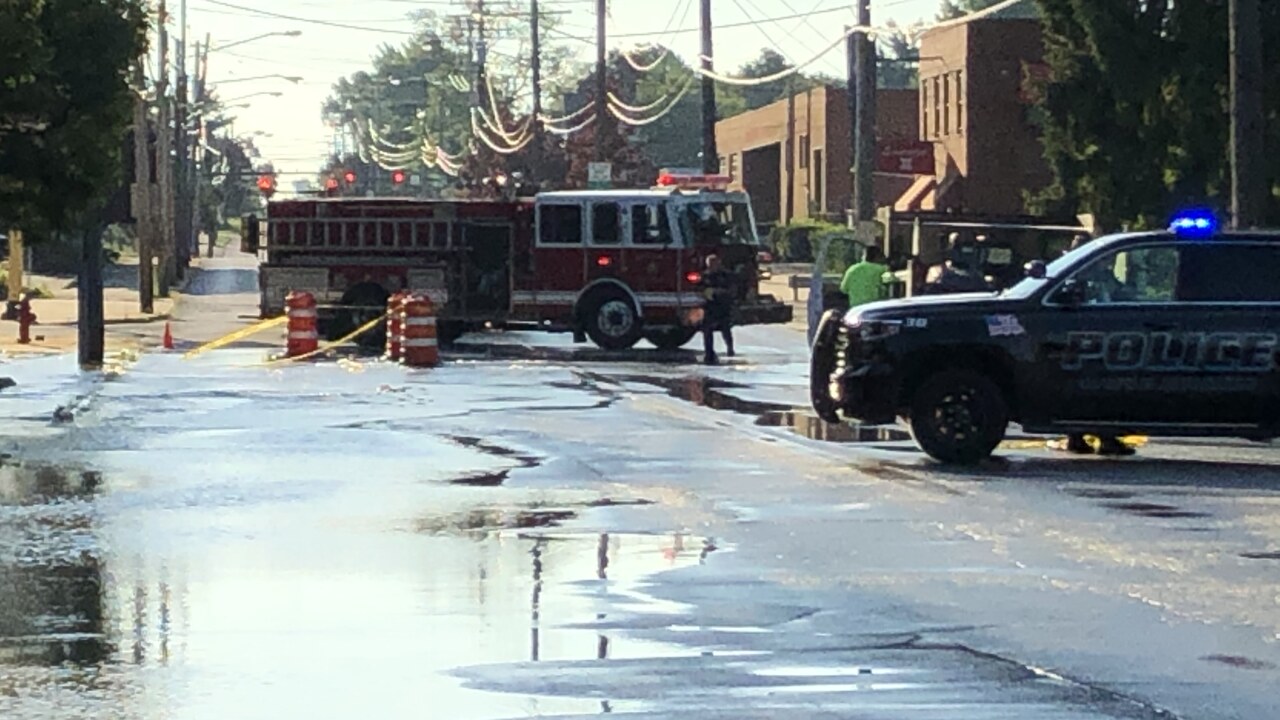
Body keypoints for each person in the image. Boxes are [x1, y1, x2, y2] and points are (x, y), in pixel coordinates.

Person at [699, 254, 736, 365]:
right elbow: (699, 288)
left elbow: (732, 288)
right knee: (707, 330)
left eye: (714, 263)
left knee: (726, 329)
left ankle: (730, 348)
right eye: (710, 263)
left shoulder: (725, 275)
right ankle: (709, 352)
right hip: (709, 307)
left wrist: (722, 293)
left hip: (722, 306)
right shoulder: (704, 276)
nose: (712, 265)